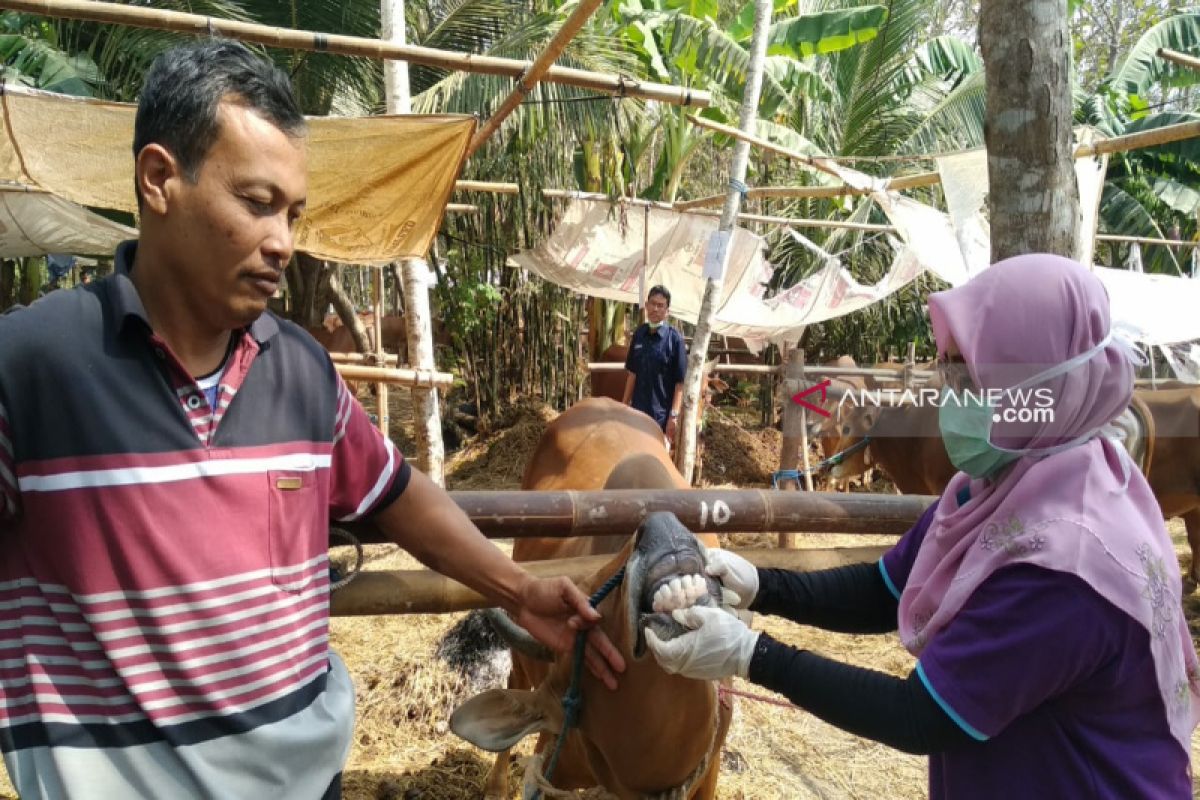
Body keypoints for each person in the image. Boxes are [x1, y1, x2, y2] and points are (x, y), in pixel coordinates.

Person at [0, 40, 622, 800]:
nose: (283, 242)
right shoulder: (28, 368)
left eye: (293, 213)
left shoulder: (300, 371)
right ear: (160, 179)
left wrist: (516, 589)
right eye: (257, 203)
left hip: (304, 783)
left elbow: (395, 492)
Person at [646, 254, 1200, 798]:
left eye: (968, 373)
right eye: (946, 367)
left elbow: (922, 715)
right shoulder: (1001, 485)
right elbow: (885, 588)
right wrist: (763, 584)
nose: (949, 394)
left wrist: (752, 654)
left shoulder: (1067, 564)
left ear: (1040, 385)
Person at [621, 285, 688, 445]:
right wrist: (623, 406)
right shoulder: (639, 334)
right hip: (636, 413)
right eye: (652, 303)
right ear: (646, 305)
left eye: (660, 305)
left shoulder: (674, 339)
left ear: (667, 311)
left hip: (661, 418)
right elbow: (632, 374)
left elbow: (680, 382)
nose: (655, 309)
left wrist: (674, 415)